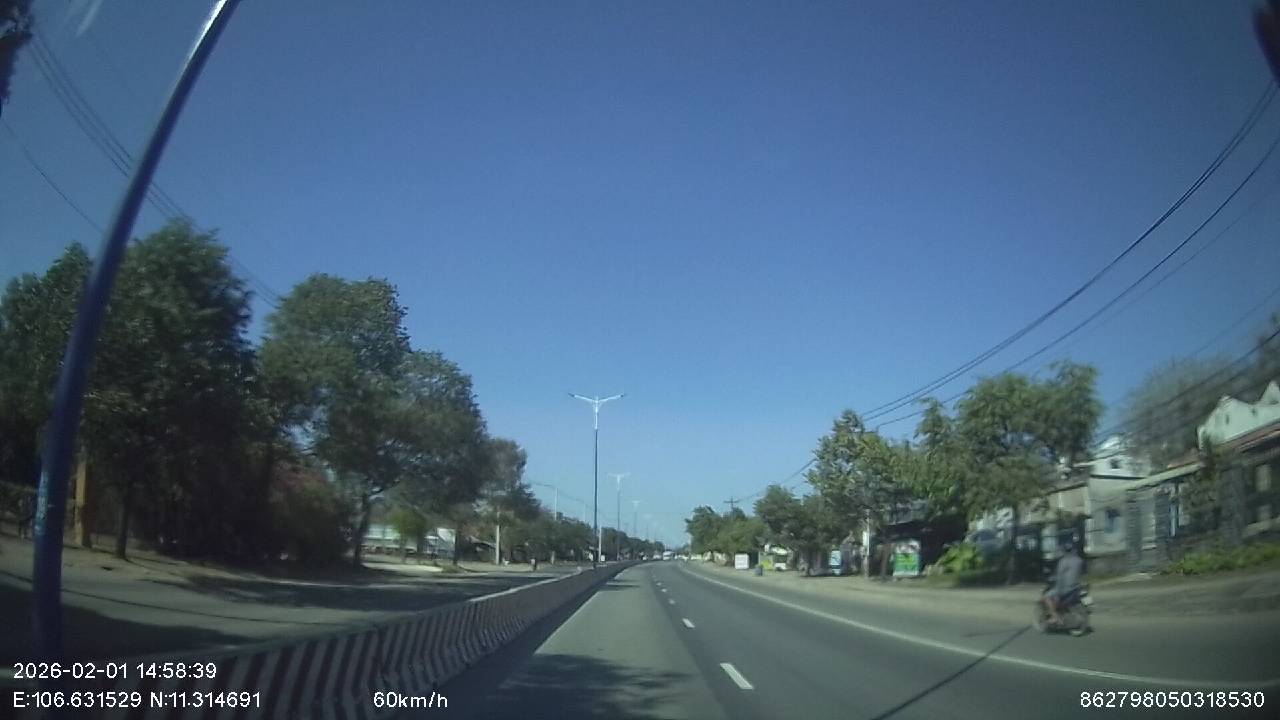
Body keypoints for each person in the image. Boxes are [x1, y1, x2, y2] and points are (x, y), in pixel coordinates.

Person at [1043, 539, 1084, 625]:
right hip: (1076, 587)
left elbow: (1059, 576)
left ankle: (1055, 617)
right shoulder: (1079, 560)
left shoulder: (1063, 561)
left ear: (1064, 551)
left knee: (1047, 597)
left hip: (1066, 589)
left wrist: (1055, 585)